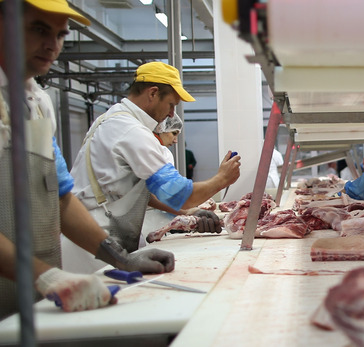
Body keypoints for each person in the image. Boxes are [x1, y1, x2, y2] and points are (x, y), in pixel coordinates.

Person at [0, 0, 174, 317]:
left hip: (31, 292)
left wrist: (120, 258)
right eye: (38, 29)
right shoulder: (125, 126)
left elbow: (61, 197)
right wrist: (46, 276)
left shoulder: (37, 103)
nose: (53, 45)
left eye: (60, 34)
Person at [62, 61, 241, 274]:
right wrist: (222, 179)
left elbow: (146, 195)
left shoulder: (112, 119)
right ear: (153, 93)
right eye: (171, 105)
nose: (171, 114)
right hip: (93, 244)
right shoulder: (131, 130)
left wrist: (190, 211)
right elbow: (178, 193)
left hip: (102, 233)